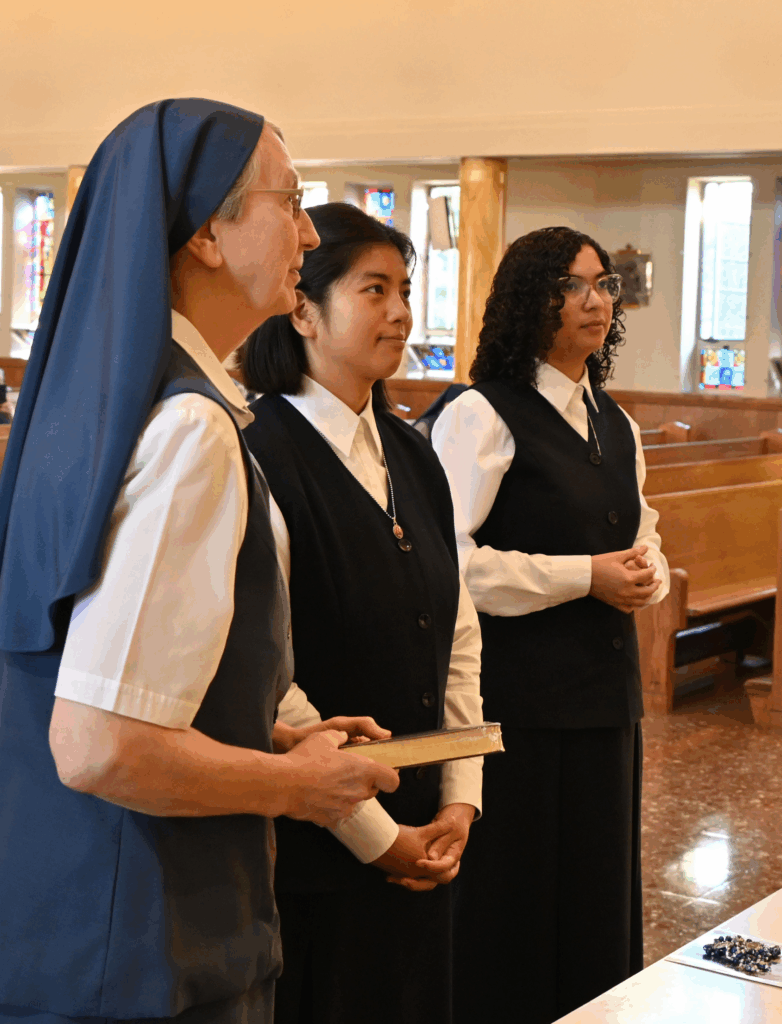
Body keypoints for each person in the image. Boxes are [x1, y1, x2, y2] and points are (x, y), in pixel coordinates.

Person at [0, 100, 398, 1024]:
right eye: (289, 202)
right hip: (147, 940)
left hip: (60, 918)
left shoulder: (105, 402)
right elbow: (100, 744)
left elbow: (95, 665)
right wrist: (298, 788)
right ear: (208, 236)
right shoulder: (190, 426)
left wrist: (256, 727)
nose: (309, 232)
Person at [241, 202, 483, 1024]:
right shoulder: (258, 453)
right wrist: (380, 839)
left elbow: (455, 633)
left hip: (427, 833)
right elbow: (268, 675)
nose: (401, 312)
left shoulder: (412, 450)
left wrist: (458, 798)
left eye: (405, 290)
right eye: (374, 290)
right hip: (316, 852)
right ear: (303, 310)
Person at [431, 226, 670, 1024]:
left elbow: (643, 532)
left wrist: (646, 572)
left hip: (606, 699)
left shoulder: (616, 422)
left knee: (597, 894)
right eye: (573, 286)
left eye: (603, 285)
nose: (595, 301)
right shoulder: (482, 414)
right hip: (518, 706)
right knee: (516, 903)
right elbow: (450, 564)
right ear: (531, 300)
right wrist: (583, 576)